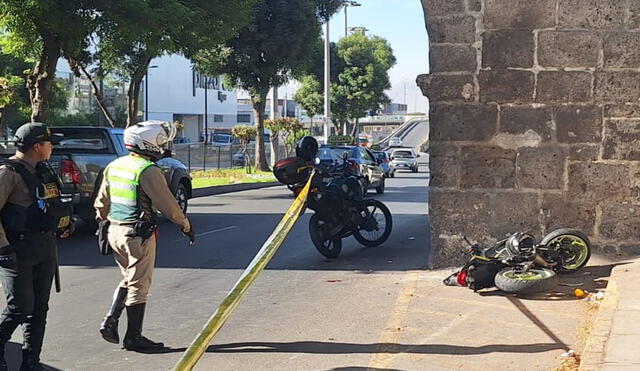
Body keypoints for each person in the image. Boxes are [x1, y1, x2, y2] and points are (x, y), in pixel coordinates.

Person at [94, 120, 195, 352]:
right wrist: (186, 225)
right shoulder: (147, 170)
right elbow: (168, 205)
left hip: (115, 231)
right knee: (140, 284)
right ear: (149, 144)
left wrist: (103, 224)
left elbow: (101, 202)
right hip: (137, 235)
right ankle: (133, 337)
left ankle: (111, 320)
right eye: (161, 141)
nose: (164, 146)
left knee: (129, 277)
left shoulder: (115, 165)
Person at [0, 122, 74, 371]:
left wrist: (64, 223)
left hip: (44, 246)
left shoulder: (43, 170)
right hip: (17, 250)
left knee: (39, 308)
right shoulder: (7, 173)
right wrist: (3, 250)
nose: (52, 148)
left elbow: (50, 203)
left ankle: (30, 362)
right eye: (49, 143)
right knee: (20, 307)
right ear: (36, 146)